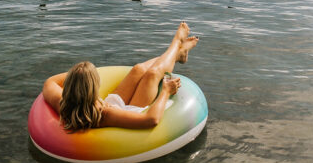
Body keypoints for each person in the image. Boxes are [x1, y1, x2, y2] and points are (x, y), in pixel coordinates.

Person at [42, 22, 198, 131]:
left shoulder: (61, 102)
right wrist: (165, 92)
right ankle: (176, 43)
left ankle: (179, 53)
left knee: (138, 69)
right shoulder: (104, 115)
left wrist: (80, 75)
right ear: (92, 89)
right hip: (131, 112)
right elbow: (151, 120)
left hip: (112, 103)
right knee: (152, 74)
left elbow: (49, 82)